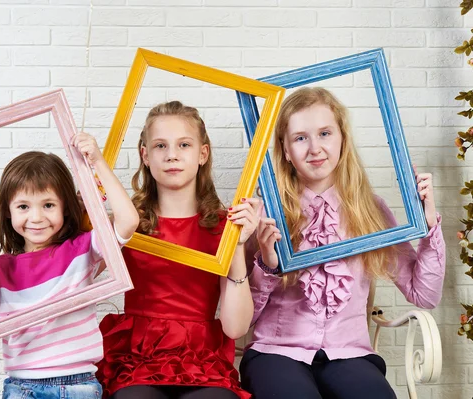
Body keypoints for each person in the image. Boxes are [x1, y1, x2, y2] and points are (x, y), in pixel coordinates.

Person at [239, 87, 446, 399]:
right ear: (284, 149)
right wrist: (267, 266)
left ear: (342, 139)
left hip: (349, 354)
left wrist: (429, 226)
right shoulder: (266, 212)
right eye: (300, 138)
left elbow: (424, 294)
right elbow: (243, 320)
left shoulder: (370, 210)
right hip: (276, 351)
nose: (314, 148)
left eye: (325, 133)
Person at [0, 134, 139, 398]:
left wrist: (98, 163)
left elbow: (128, 222)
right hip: (22, 388)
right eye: (23, 206)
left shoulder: (81, 250)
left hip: (78, 386)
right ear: (8, 211)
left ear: (65, 208)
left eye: (48, 205)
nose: (36, 217)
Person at [97, 101, 258, 399]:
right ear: (145, 155)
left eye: (183, 144)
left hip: (202, 359)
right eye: (160, 146)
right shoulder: (127, 224)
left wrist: (237, 246)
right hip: (138, 355)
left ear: (202, 153)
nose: (171, 155)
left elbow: (235, 328)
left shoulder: (226, 226)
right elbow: (77, 277)